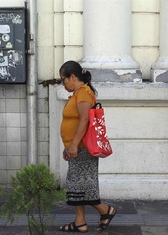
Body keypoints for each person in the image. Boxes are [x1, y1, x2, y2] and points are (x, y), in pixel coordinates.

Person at [58, 61, 117, 233]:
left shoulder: (84, 93)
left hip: (82, 147)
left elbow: (84, 120)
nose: (63, 83)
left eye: (63, 79)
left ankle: (106, 210)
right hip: (76, 147)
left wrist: (74, 144)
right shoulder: (78, 93)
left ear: (73, 77)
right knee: (76, 185)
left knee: (83, 186)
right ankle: (80, 222)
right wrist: (68, 145)